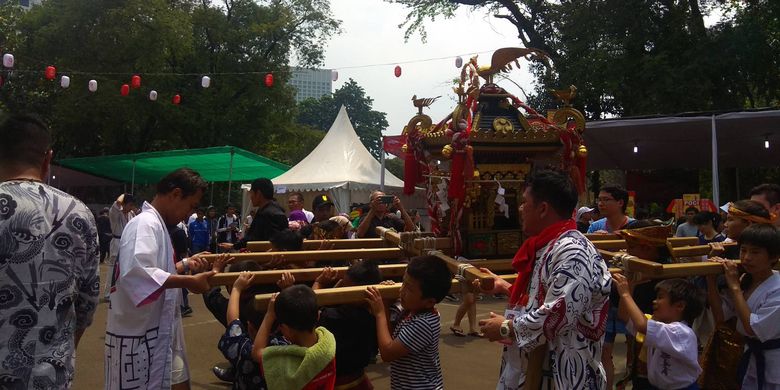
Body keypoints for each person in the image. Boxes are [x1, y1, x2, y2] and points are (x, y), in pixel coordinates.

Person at [476, 169, 612, 389]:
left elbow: (559, 311)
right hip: (535, 372)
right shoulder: (551, 245)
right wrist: (506, 287)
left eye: (524, 202)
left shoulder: (572, 252)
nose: (520, 209)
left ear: (543, 209)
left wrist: (507, 327)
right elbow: (549, 295)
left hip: (565, 377)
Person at [104, 168, 232, 390]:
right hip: (140, 332)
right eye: (191, 205)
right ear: (175, 194)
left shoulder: (154, 224)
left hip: (157, 329)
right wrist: (189, 282)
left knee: (176, 380)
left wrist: (185, 264)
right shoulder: (145, 224)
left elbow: (152, 269)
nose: (188, 214)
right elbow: (138, 272)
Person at [0, 114, 100, 388]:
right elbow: (87, 303)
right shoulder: (78, 214)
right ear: (48, 158)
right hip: (50, 375)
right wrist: (58, 352)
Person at [708, 223, 780, 390]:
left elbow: (753, 329)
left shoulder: (776, 287)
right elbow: (720, 316)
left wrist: (734, 287)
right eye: (743, 250)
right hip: (750, 360)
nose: (746, 257)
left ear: (773, 257)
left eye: (755, 252)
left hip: (774, 365)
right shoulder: (746, 280)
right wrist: (711, 278)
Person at [364, 255, 453, 390]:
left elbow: (387, 352)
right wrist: (387, 303)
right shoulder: (412, 310)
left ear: (429, 301)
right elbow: (391, 336)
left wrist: (380, 313)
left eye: (409, 289)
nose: (401, 291)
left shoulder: (423, 323)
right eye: (403, 282)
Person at [613, 274, 704, 390]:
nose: (655, 301)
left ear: (680, 306)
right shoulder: (658, 325)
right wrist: (630, 286)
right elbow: (624, 315)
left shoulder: (682, 332)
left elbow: (641, 325)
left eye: (660, 297)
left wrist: (625, 294)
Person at [252, 285, 337, 390]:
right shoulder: (328, 346)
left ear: (287, 330)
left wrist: (269, 314)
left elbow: (257, 353)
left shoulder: (281, 361)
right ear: (318, 316)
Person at [316, 261, 382, 389]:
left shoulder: (334, 316)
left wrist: (319, 282)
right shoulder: (376, 314)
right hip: (359, 379)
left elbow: (311, 309)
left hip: (336, 381)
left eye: (346, 286)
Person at [219, 178, 288, 251]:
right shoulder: (276, 210)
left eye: (251, 193)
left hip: (267, 259)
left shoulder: (266, 214)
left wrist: (234, 246)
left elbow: (255, 238)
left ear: (258, 194)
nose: (250, 197)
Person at [104, 192, 135, 300]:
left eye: (132, 205)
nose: (131, 207)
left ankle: (122, 291)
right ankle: (108, 293)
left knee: (126, 268)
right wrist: (124, 194)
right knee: (113, 269)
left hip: (127, 243)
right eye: (129, 204)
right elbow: (117, 203)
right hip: (117, 241)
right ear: (124, 204)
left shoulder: (131, 214)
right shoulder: (115, 212)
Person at [170, 221, 194, 317]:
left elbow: (183, 252)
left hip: (178, 261)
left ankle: (184, 306)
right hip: (177, 261)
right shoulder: (176, 231)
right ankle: (183, 306)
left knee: (181, 285)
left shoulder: (177, 232)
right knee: (180, 284)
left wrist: (187, 264)